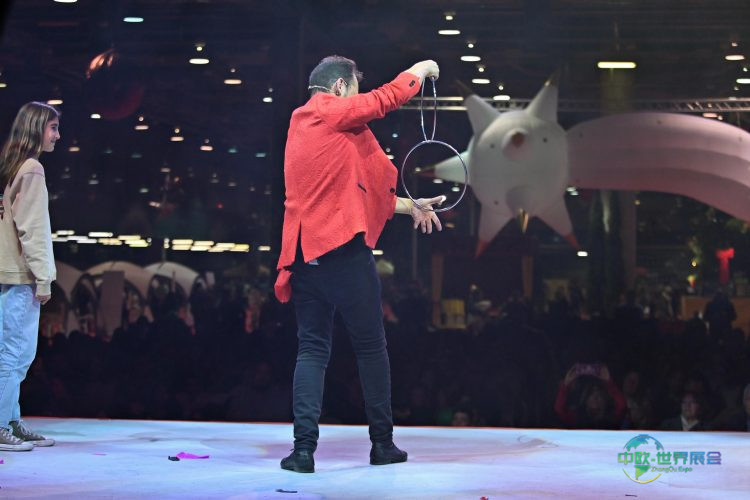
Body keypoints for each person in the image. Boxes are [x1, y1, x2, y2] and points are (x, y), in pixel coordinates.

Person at [273, 55, 442, 473]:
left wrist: (410, 206)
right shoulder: (329, 111)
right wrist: (420, 69)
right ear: (339, 89)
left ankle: (302, 452)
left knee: (312, 349)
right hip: (343, 254)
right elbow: (384, 99)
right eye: (354, 90)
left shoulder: (302, 125)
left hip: (304, 256)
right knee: (370, 348)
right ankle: (382, 444)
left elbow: (359, 192)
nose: (357, 99)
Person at [0, 102, 60, 451]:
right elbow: (32, 228)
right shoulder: (32, 168)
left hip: (8, 272)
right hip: (21, 274)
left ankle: (10, 420)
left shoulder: (11, 165)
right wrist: (43, 277)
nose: (57, 135)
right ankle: (2, 424)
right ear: (37, 128)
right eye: (53, 127)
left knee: (11, 352)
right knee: (16, 354)